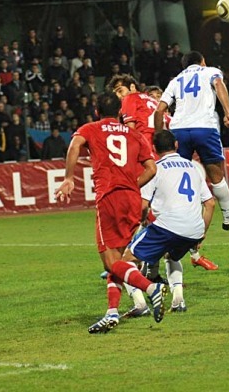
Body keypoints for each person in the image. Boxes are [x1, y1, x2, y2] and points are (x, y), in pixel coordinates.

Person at [55, 93, 163, 334]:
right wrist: (134, 185)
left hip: (110, 199)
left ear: (97, 110)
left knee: (110, 261)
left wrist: (69, 178)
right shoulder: (134, 134)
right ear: (119, 113)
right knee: (118, 260)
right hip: (132, 200)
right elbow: (151, 168)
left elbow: (74, 145)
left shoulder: (91, 128)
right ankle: (112, 312)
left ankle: (151, 288)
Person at [127, 130, 216, 313]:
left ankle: (140, 304)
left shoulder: (155, 168)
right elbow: (210, 203)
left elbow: (143, 206)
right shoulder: (192, 167)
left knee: (124, 260)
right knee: (172, 257)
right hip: (194, 229)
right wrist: (201, 234)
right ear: (176, 145)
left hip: (169, 226)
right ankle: (178, 301)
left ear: (154, 148)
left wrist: (143, 221)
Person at [155, 50, 229, 233]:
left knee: (176, 176)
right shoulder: (209, 71)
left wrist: (158, 136)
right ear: (202, 61)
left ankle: (176, 217)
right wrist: (228, 112)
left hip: (179, 130)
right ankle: (228, 215)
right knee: (216, 174)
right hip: (204, 128)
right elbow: (218, 84)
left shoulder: (176, 80)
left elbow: (159, 110)